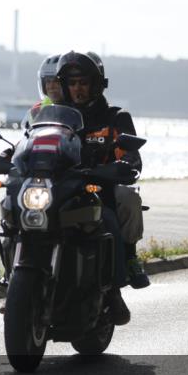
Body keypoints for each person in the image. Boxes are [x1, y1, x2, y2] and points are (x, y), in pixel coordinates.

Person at [54, 51, 150, 324]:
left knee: (124, 201)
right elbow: (32, 141)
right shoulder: (56, 117)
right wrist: (9, 157)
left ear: (95, 84)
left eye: (83, 82)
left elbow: (130, 154)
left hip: (100, 187)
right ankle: (18, 290)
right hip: (61, 187)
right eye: (72, 83)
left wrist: (128, 160)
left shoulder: (115, 117)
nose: (77, 89)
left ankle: (118, 283)